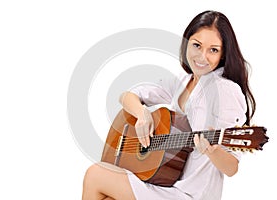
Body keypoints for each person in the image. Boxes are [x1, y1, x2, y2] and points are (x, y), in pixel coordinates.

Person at [82, 10, 256, 200]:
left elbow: (231, 168)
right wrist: (142, 114)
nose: (202, 56)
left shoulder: (225, 91)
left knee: (96, 175)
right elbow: (127, 96)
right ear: (186, 43)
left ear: (223, 54)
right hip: (167, 184)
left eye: (213, 50)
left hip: (192, 195)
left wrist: (212, 151)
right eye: (197, 45)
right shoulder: (183, 80)